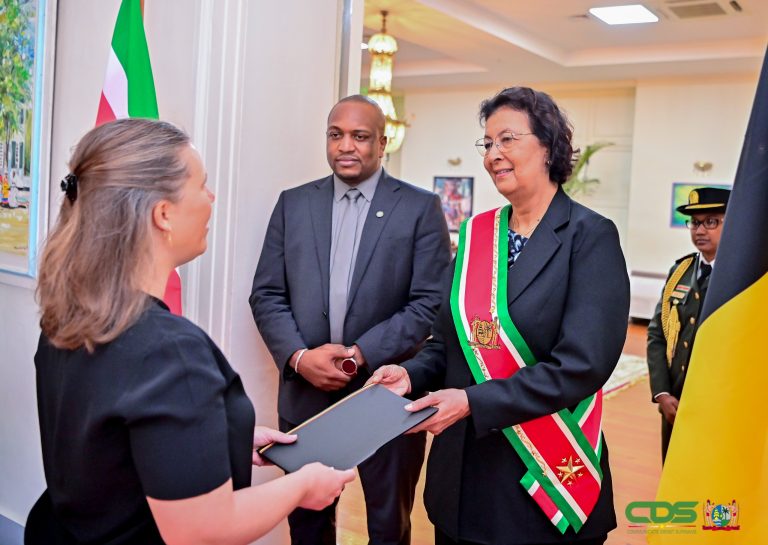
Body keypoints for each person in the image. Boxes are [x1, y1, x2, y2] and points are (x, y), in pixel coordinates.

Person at [27, 118, 355, 545]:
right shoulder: (169, 352)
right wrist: (302, 486)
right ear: (163, 214)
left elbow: (109, 448)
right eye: (202, 185)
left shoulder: (67, 318)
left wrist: (222, 439)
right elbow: (202, 531)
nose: (211, 197)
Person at [369, 86, 630, 545]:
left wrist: (472, 402)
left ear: (548, 146)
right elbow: (448, 345)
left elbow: (582, 365)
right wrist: (410, 374)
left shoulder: (589, 236)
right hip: (461, 479)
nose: (493, 154)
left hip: (541, 484)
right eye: (487, 143)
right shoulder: (477, 235)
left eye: (507, 139)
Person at [250, 94, 451, 545]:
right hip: (305, 394)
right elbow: (266, 294)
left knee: (388, 523)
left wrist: (358, 356)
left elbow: (429, 302)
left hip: (386, 394)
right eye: (335, 135)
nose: (346, 146)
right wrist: (300, 358)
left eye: (360, 136)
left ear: (382, 143)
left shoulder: (419, 208)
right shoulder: (293, 204)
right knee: (307, 522)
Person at [646, 187, 730, 463]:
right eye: (694, 222)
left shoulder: (742, 278)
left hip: (721, 402)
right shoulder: (680, 271)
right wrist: (662, 393)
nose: (700, 230)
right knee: (674, 468)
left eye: (711, 221)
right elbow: (657, 334)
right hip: (676, 401)